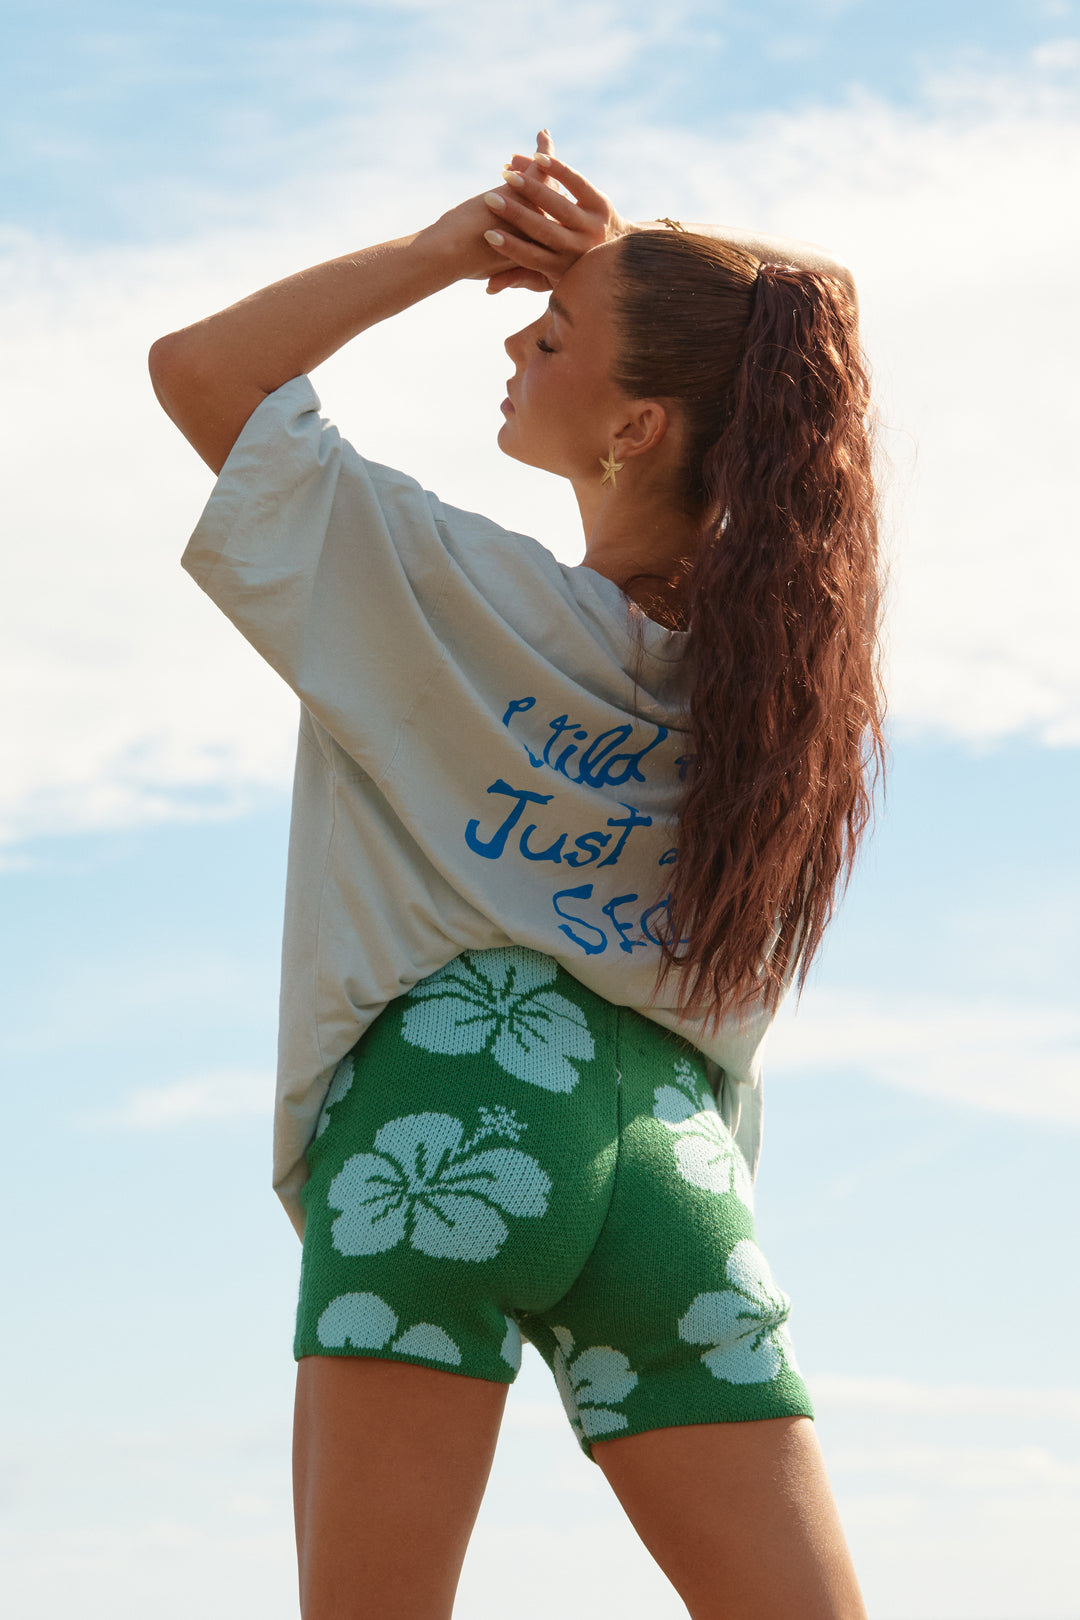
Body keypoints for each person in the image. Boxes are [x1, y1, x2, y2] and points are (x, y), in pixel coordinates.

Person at [150, 128, 883, 1620]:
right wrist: (631, 278)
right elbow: (800, 321)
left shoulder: (457, 595)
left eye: (548, 339)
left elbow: (201, 373)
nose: (512, 343)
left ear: (636, 428)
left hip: (451, 1111)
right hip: (670, 1154)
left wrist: (444, 251)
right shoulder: (781, 683)